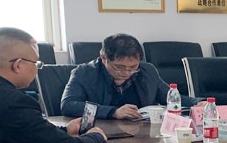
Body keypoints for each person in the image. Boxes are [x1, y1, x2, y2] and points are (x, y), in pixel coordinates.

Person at [61, 33, 204, 120]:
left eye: (132, 67)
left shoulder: (146, 70)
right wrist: (113, 112)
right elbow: (68, 105)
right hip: (102, 134)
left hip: (141, 136)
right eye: (119, 67)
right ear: (104, 58)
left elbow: (168, 96)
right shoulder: (84, 73)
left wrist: (197, 103)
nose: (126, 72)